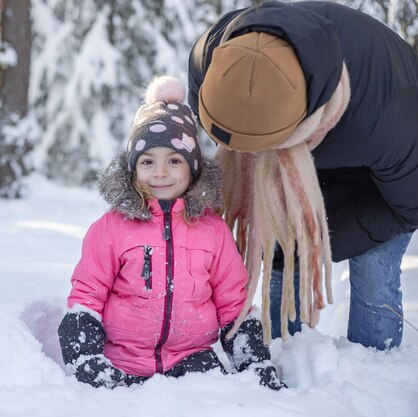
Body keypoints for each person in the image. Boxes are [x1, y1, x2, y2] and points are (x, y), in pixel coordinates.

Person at [187, 1, 418, 349]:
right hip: (300, 160)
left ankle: (374, 367)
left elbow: (407, 208)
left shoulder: (390, 115)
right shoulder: (212, 59)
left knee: (373, 267)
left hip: (378, 184)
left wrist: (314, 240)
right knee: (282, 250)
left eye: (260, 146)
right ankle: (281, 354)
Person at [58, 75, 285, 390]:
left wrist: (254, 360)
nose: (160, 172)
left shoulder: (213, 231)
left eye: (174, 161)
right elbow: (87, 296)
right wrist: (86, 359)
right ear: (133, 169)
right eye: (148, 161)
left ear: (192, 170)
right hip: (121, 364)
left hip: (193, 363)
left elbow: (233, 301)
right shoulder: (111, 228)